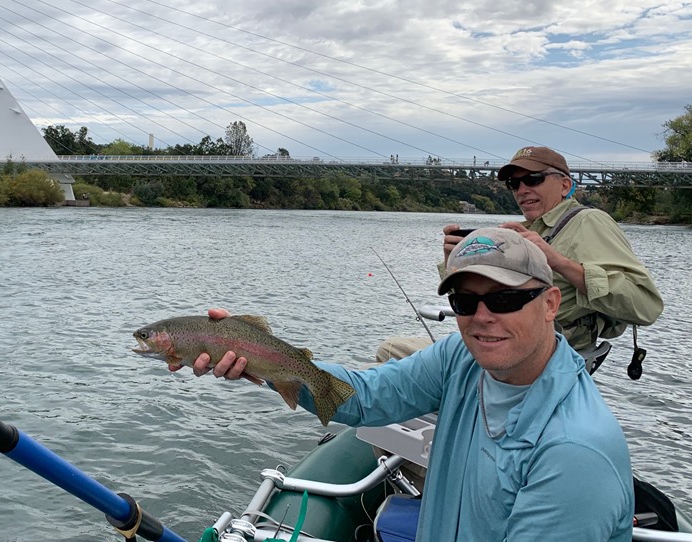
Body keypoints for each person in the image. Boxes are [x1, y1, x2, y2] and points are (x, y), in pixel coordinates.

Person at [180, 229, 634, 542]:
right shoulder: (461, 358)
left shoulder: (574, 453)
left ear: (551, 303)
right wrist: (258, 360)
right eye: (464, 300)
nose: (482, 316)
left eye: (506, 298)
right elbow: (366, 396)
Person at [444, 146, 663, 352]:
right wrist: (454, 262)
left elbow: (646, 307)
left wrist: (557, 261)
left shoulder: (589, 222)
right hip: (495, 344)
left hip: (547, 356)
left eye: (533, 179)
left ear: (565, 186)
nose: (522, 190)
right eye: (514, 183)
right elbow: (481, 298)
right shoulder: (528, 230)